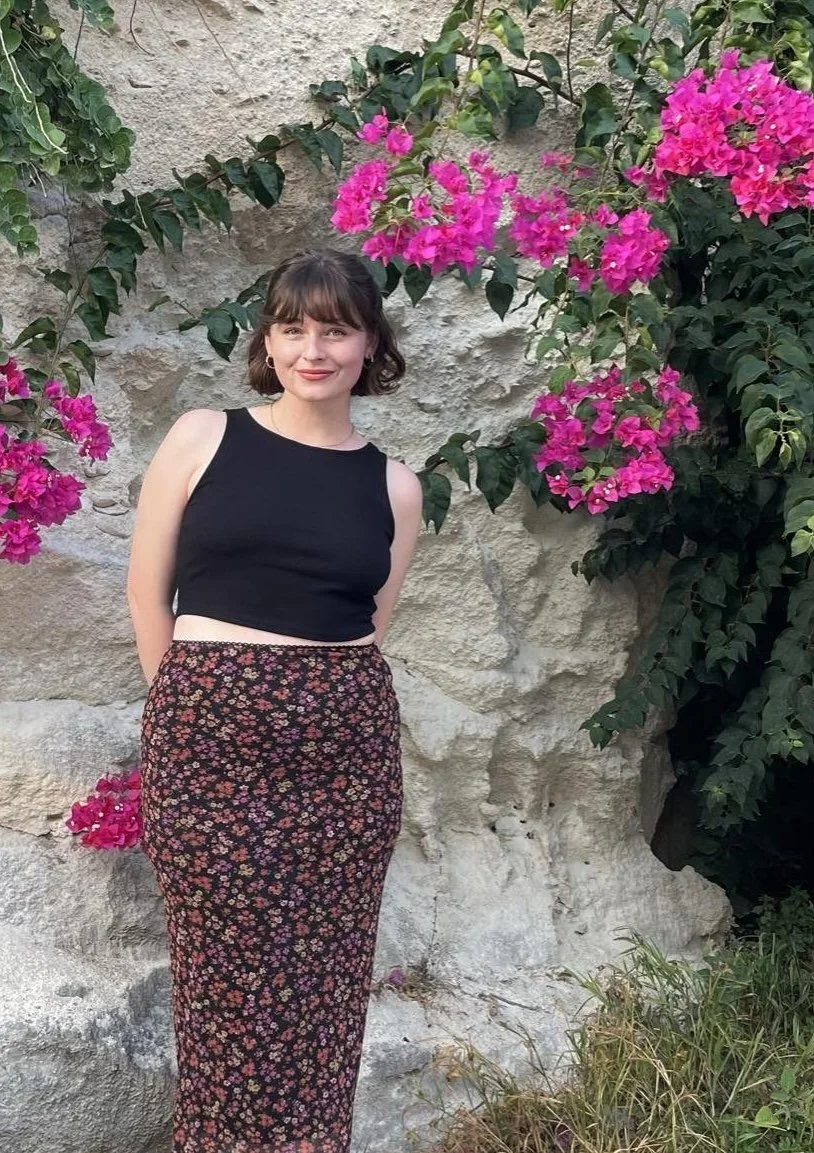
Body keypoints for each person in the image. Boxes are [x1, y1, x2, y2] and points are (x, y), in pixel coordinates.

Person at [127, 246, 424, 1153]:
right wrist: (190, 709)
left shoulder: (395, 486)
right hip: (209, 752)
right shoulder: (202, 437)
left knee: (323, 991)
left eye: (335, 330)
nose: (312, 350)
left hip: (345, 768)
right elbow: (147, 592)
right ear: (267, 341)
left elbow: (371, 623)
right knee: (222, 985)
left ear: (370, 343)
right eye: (292, 329)